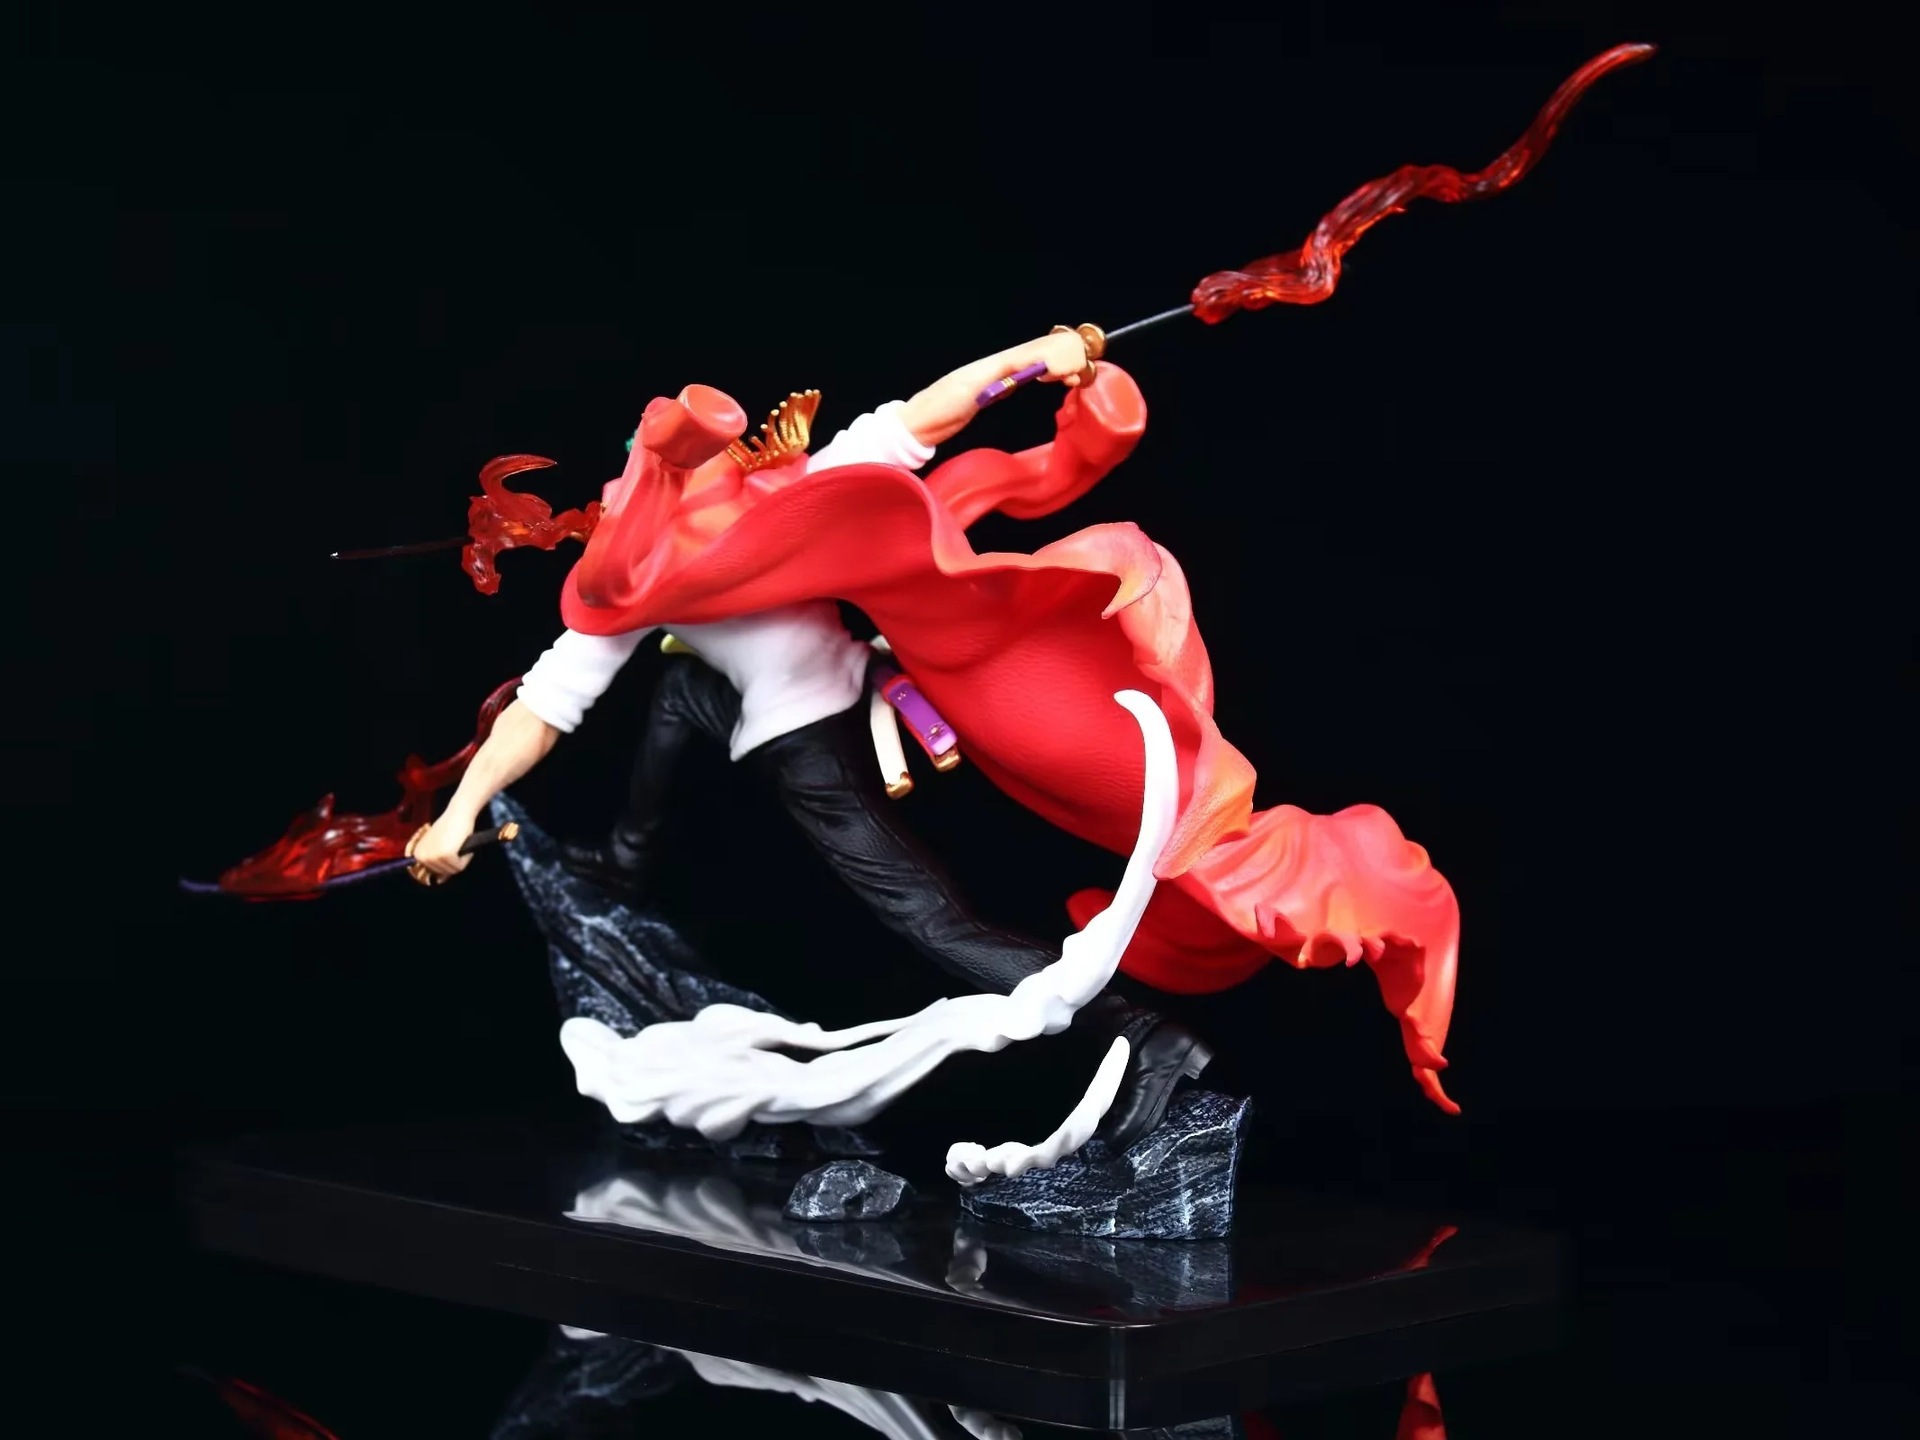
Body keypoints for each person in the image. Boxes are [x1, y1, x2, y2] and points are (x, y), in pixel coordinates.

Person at [409, 329, 1216, 1152]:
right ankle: (629, 856)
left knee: (929, 917)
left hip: (813, 743)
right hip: (845, 696)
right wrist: (1036, 357)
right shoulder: (663, 563)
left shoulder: (760, 509)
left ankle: (1138, 1031)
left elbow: (928, 414)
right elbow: (542, 708)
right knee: (682, 692)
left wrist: (1040, 356)